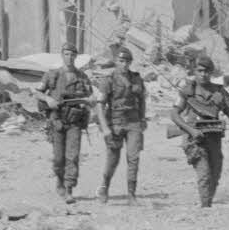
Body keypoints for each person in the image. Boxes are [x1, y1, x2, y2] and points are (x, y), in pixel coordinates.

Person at [170, 54, 229, 208]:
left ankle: (208, 202)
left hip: (214, 139)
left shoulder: (219, 92)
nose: (203, 74)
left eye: (206, 71)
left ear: (211, 73)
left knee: (215, 172)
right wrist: (190, 130)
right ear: (194, 71)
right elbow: (174, 114)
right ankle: (205, 208)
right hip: (194, 140)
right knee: (204, 174)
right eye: (199, 71)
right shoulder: (188, 91)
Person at [35, 43, 106, 204]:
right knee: (59, 159)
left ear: (76, 57)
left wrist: (90, 100)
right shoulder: (52, 75)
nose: (69, 57)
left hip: (74, 122)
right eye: (66, 54)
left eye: (72, 55)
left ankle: (69, 189)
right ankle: (60, 181)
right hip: (57, 121)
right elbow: (37, 92)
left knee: (72, 157)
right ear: (62, 55)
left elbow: (91, 98)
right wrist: (48, 99)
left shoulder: (82, 77)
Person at [97, 46, 148, 205]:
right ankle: (105, 186)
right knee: (113, 159)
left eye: (127, 61)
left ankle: (131, 194)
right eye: (121, 61)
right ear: (116, 62)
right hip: (115, 122)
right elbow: (100, 105)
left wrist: (142, 118)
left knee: (134, 158)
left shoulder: (136, 78)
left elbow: (142, 100)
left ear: (130, 62)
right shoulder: (109, 79)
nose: (124, 64)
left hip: (133, 122)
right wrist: (105, 128)